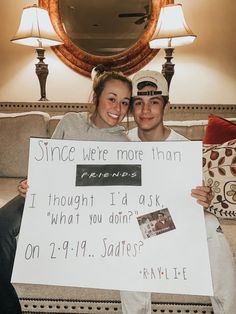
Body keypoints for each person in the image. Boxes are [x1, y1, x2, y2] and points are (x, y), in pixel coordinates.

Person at [0, 66, 132, 314]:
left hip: (80, 212)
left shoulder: (123, 143)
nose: (118, 109)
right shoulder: (70, 121)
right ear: (96, 98)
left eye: (125, 102)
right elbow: (46, 165)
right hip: (44, 197)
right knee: (1, 225)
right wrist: (30, 183)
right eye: (112, 99)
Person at [120, 70, 236, 314]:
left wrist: (203, 201)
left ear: (166, 106)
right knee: (130, 235)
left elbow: (193, 203)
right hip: (131, 226)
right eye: (138, 103)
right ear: (131, 107)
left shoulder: (184, 149)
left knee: (211, 226)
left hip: (170, 222)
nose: (145, 110)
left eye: (154, 102)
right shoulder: (119, 143)